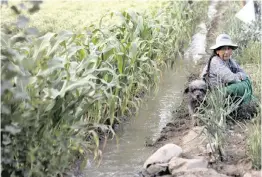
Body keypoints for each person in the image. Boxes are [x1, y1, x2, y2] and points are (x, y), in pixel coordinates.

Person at [200, 33, 253, 105]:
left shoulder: (230, 60)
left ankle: (245, 103)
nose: (227, 52)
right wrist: (241, 76)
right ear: (217, 51)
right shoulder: (215, 61)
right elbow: (231, 78)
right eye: (223, 49)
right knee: (243, 85)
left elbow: (242, 72)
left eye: (229, 48)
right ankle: (244, 104)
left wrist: (241, 76)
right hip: (214, 95)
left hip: (224, 89)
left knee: (246, 82)